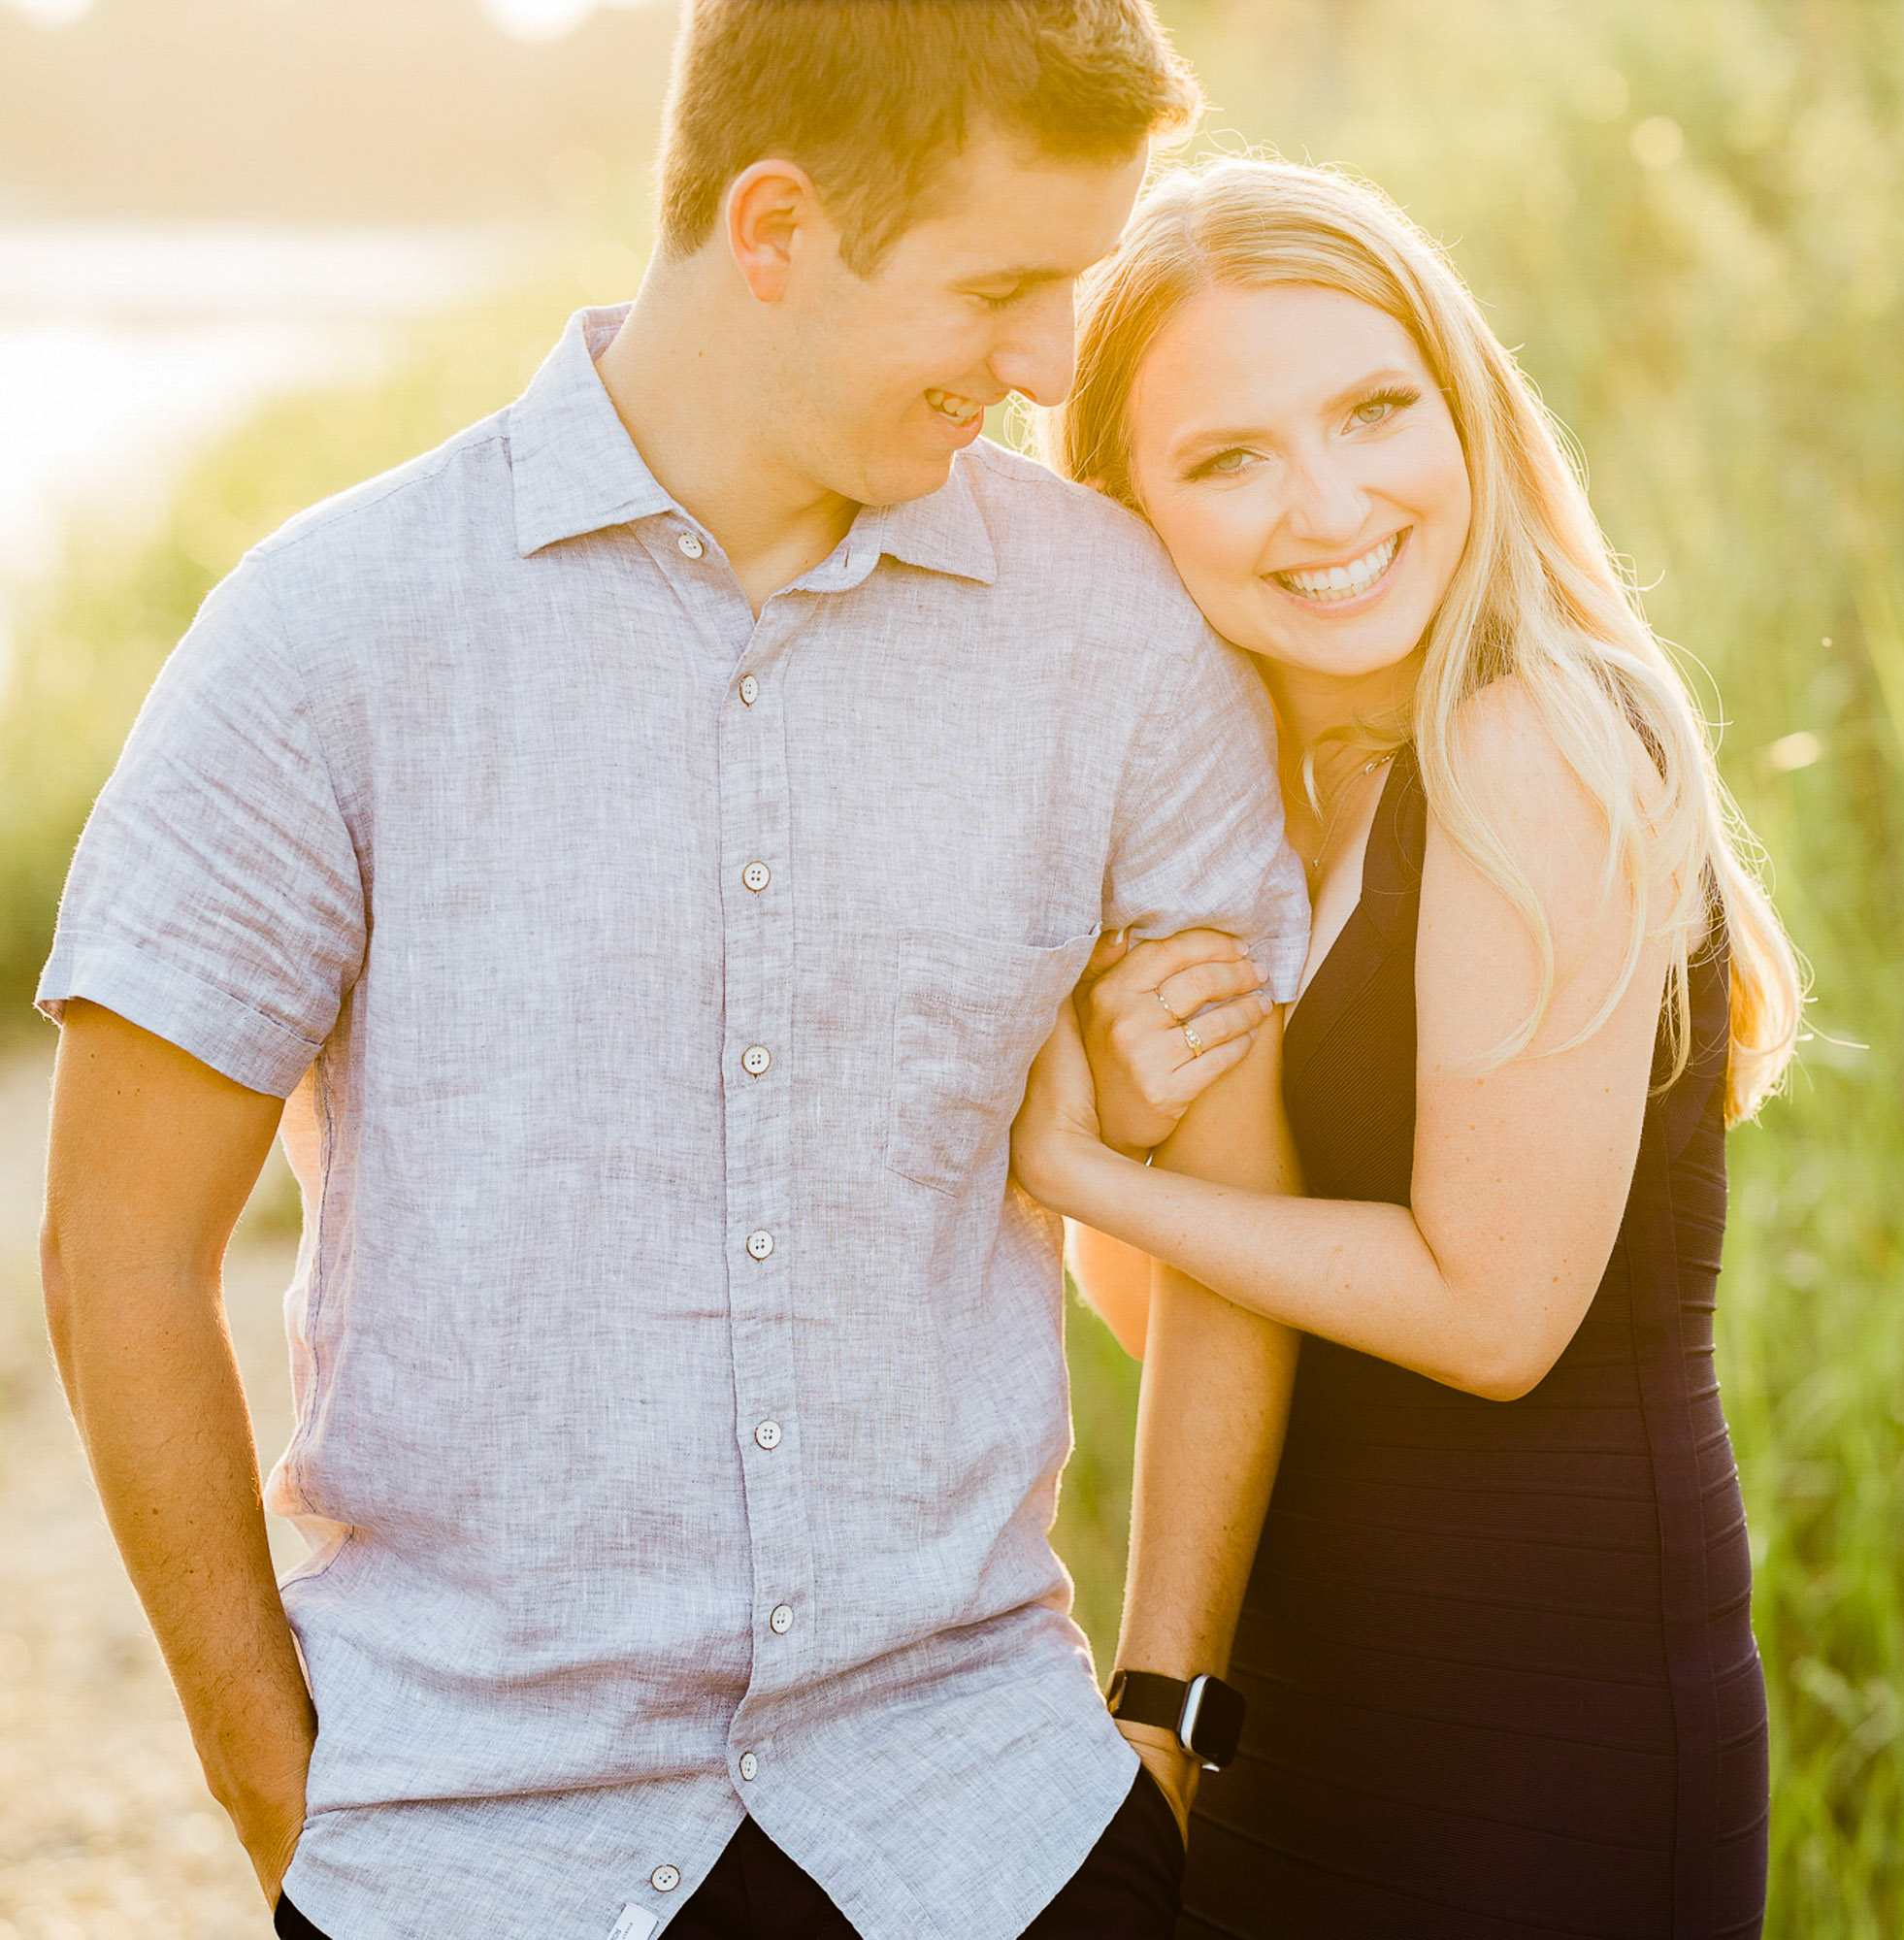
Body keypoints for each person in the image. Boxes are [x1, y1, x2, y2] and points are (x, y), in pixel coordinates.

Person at [35, 6, 1310, 1937]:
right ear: (776, 228)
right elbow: (120, 1249)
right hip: (464, 1850)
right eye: (1003, 287)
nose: (1054, 366)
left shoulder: (1118, 637)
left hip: (990, 1821)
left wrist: (1165, 1709)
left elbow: (1237, 1218)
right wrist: (270, 1784)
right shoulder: (328, 633)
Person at [1011, 157, 1802, 1938]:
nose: (1331, 504)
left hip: (1540, 1737)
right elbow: (1214, 1333)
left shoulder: (1537, 741)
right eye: (1230, 457)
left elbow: (1490, 1316)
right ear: (1128, 508)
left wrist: (1072, 1167)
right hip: (1299, 1713)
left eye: (1376, 409)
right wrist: (1140, 1163)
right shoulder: (1253, 816)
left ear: (1465, 406)